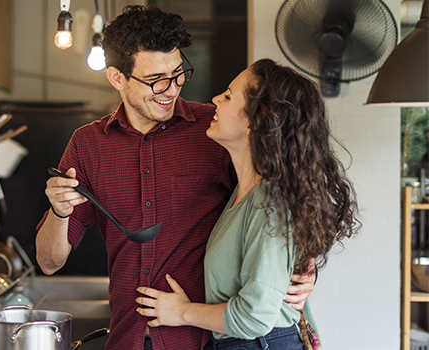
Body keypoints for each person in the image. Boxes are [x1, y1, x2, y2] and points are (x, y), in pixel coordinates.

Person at [36, 6, 316, 350]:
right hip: (129, 339)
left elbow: (283, 197)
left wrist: (305, 268)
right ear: (117, 78)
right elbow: (49, 262)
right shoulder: (87, 144)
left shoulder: (215, 129)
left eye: (178, 73)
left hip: (204, 340)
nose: (171, 89)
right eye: (156, 80)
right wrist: (60, 212)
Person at [134, 59, 359, 349]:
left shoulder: (268, 201)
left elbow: (254, 317)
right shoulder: (245, 193)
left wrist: (180, 312)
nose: (215, 99)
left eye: (228, 96)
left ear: (254, 121)